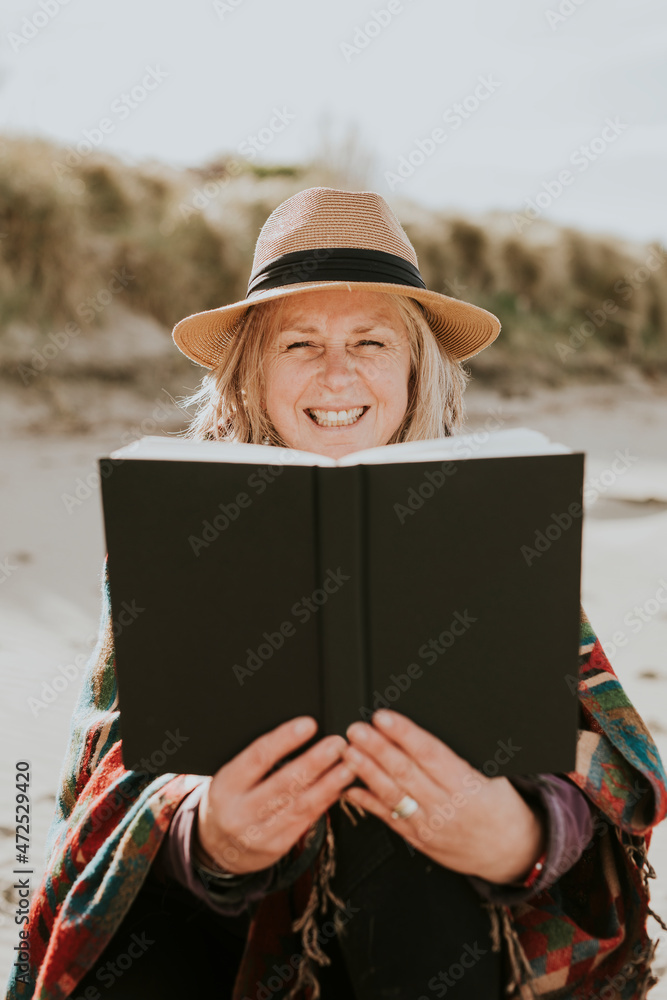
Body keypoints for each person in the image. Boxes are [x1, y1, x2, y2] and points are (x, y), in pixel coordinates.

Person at [8, 187, 666, 1000]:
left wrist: (520, 836)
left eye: (370, 340)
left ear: (415, 366)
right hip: (217, 920)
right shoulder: (178, 522)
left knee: (397, 836)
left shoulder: (485, 518)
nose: (338, 372)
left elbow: (604, 756)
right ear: (250, 369)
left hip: (430, 912)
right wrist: (201, 833)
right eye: (299, 344)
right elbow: (103, 774)